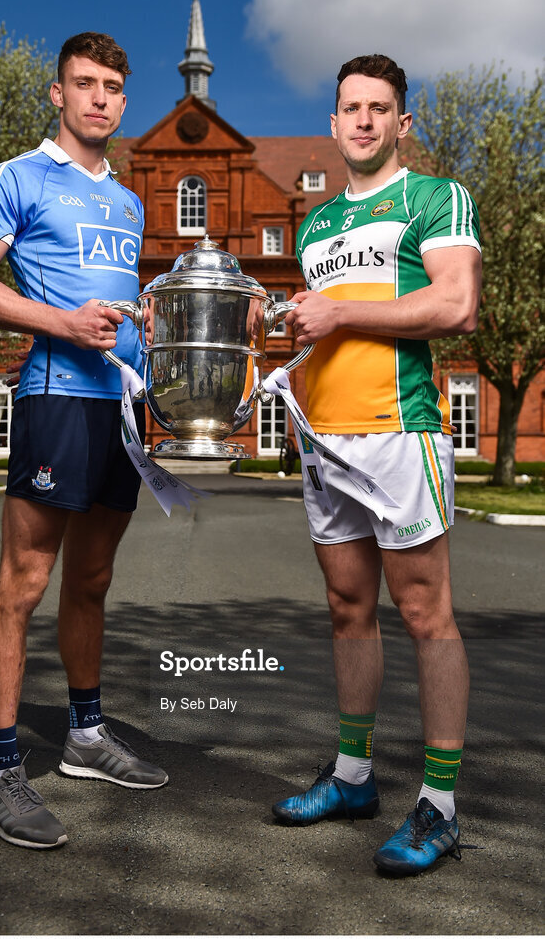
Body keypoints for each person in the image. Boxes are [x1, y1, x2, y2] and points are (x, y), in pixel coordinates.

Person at [0, 32, 167, 850]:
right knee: (23, 583)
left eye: (112, 85)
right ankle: (0, 774)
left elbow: (110, 297)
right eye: (85, 83)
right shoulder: (19, 177)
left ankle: (84, 735)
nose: (100, 97)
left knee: (94, 579)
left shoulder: (131, 202)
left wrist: (148, 325)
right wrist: (62, 325)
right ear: (57, 95)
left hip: (119, 409)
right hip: (54, 399)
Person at [274, 54, 482, 877]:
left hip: (401, 434)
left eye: (379, 108)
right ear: (332, 123)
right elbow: (323, 326)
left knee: (424, 611)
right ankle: (353, 778)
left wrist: (339, 312)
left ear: (402, 123)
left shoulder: (433, 197)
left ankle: (439, 807)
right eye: (349, 107)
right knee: (344, 608)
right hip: (324, 439)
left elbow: (453, 305)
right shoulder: (314, 226)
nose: (362, 120)